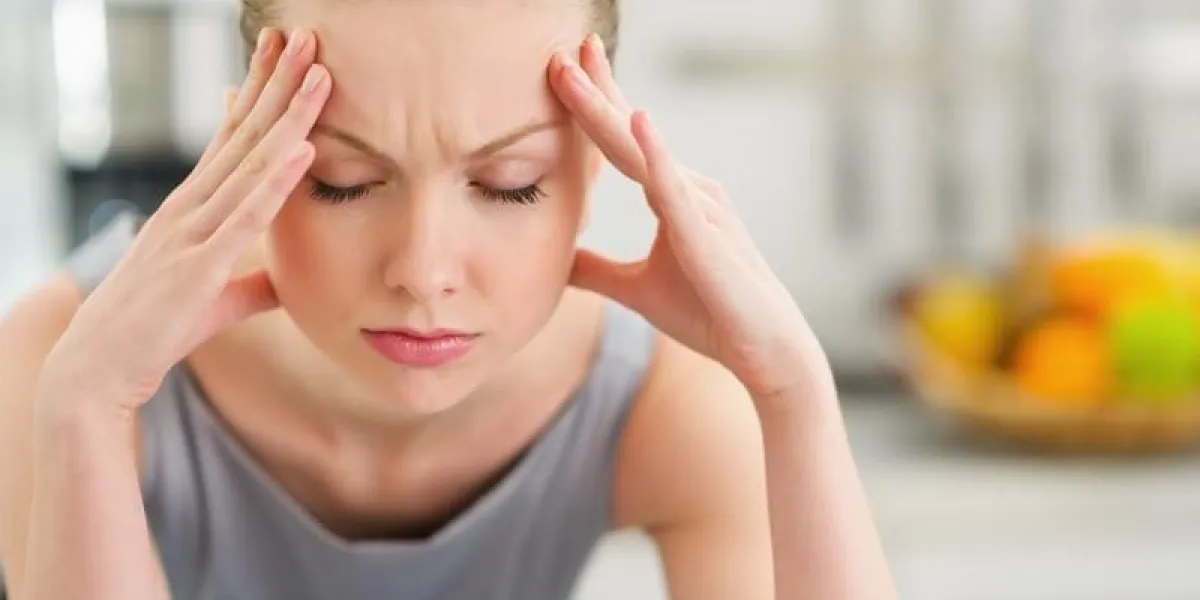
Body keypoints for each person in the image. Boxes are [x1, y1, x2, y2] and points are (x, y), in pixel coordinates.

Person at [0, 1, 896, 598]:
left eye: (509, 184)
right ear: (243, 145)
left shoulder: (664, 404)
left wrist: (795, 396)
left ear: (595, 165)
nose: (423, 272)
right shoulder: (67, 365)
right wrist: (84, 412)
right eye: (344, 182)